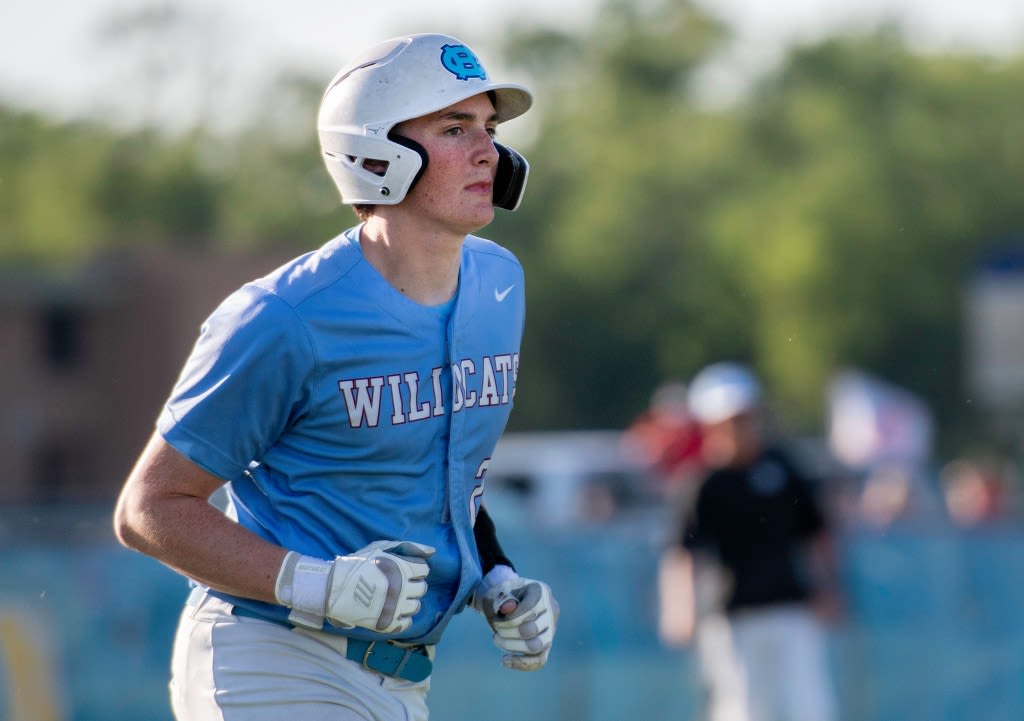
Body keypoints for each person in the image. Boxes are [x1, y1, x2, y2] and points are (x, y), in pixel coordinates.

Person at [113, 33, 558, 721]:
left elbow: (445, 476)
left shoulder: (501, 282)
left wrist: (493, 577)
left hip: (402, 680)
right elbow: (149, 509)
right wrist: (312, 583)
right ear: (375, 151)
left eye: (489, 129)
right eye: (453, 127)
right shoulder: (284, 316)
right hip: (270, 657)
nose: (487, 153)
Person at [657, 362, 839, 721]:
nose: (740, 428)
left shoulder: (784, 468)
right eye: (729, 421)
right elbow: (683, 552)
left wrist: (828, 586)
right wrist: (680, 607)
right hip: (731, 615)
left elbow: (815, 532)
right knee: (744, 708)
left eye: (744, 418)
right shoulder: (703, 484)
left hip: (792, 608)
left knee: (811, 707)